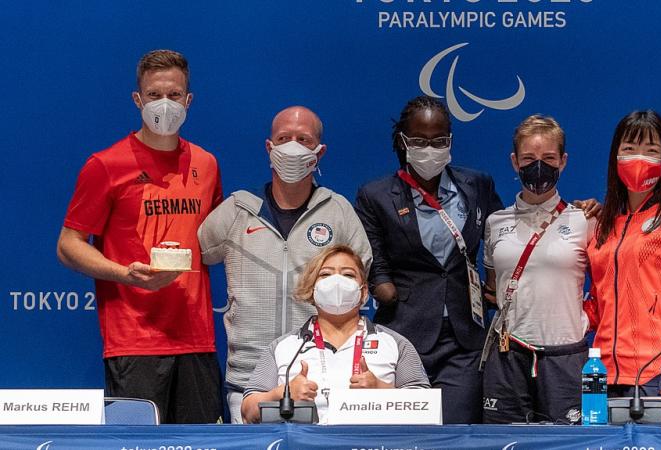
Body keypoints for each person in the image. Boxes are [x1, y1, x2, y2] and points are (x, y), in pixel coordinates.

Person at [56, 49, 223, 423]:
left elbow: (212, 242)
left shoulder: (206, 164)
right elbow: (68, 246)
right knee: (135, 447)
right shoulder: (105, 165)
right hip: (135, 339)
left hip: (197, 337)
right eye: (154, 95)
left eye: (174, 95)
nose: (165, 104)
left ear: (188, 100)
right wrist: (124, 274)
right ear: (138, 99)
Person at [198, 106, 372, 423]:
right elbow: (197, 252)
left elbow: (359, 280)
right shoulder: (238, 208)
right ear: (269, 147)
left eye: (303, 139)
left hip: (319, 380)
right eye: (284, 138)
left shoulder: (339, 212)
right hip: (248, 383)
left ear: (320, 152)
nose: (292, 146)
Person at [354, 95, 504, 424]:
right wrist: (382, 285)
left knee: (455, 434)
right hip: (404, 332)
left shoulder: (477, 185)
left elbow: (505, 234)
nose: (430, 148)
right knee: (406, 437)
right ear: (403, 141)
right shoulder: (375, 195)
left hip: (464, 337)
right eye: (420, 141)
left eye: (439, 141)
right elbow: (374, 260)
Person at [585, 110, 661, 397]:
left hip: (655, 377)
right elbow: (596, 303)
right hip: (600, 376)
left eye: (651, 150)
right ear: (615, 156)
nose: (639, 159)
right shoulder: (603, 227)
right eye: (629, 149)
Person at [480, 115, 595, 424]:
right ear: (515, 162)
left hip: (565, 358)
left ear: (563, 161)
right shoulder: (494, 223)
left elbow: (606, 287)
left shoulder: (585, 220)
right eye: (529, 158)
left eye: (548, 158)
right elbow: (493, 286)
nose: (538, 166)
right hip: (507, 357)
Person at [241, 244, 429, 424]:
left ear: (363, 292)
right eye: (325, 274)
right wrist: (282, 393)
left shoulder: (394, 343)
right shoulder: (284, 347)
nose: (337, 281)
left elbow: (427, 408)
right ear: (312, 290)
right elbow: (247, 411)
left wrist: (381, 389)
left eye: (348, 274)